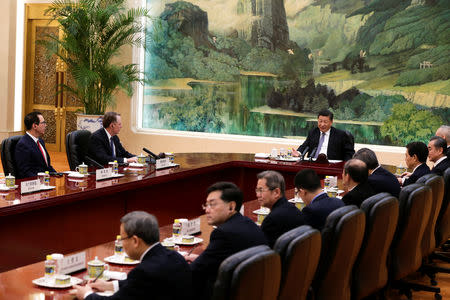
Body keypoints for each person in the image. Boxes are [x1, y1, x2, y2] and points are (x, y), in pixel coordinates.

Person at [72, 211, 192, 300]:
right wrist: (108, 285)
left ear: (135, 241)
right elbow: (138, 285)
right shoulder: (175, 256)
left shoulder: (144, 272)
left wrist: (86, 295)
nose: (121, 244)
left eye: (122, 239)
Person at [185, 182, 267, 300]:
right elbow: (218, 259)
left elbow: (194, 271)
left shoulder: (223, 233)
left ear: (231, 207)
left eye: (212, 205)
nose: (207, 210)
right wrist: (201, 259)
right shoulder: (248, 223)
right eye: (206, 205)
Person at [256, 171, 304, 247]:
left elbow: (263, 253)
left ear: (276, 192)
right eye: (257, 190)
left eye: (261, 190)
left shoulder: (272, 220)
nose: (258, 195)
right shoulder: (294, 209)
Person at [14, 111, 57, 179]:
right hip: (34, 184)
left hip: (45, 182)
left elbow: (47, 166)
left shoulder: (40, 141)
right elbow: (25, 172)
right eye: (43, 123)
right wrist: (40, 180)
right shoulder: (23, 145)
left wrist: (57, 174)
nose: (46, 125)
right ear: (35, 126)